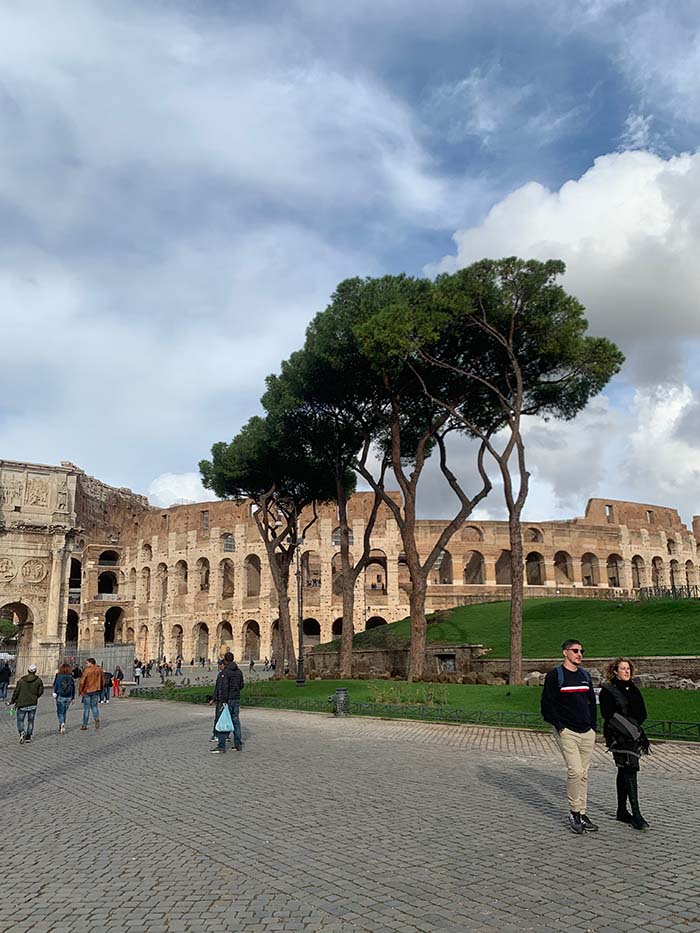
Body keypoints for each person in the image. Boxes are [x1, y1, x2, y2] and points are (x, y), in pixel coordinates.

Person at [541, 638, 598, 835]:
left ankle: (582, 812)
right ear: (565, 652)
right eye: (575, 650)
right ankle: (574, 812)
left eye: (582, 651)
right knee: (575, 771)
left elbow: (591, 702)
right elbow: (547, 704)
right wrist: (560, 727)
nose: (579, 654)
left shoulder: (585, 675)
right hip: (567, 731)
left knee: (584, 773)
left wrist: (593, 727)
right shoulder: (555, 676)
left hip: (587, 732)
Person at [599, 657, 650, 831]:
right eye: (623, 668)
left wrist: (633, 725)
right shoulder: (609, 690)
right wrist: (626, 725)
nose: (627, 671)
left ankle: (621, 811)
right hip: (618, 736)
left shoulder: (633, 688)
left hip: (633, 734)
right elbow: (607, 713)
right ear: (615, 671)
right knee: (630, 769)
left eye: (628, 668)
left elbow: (642, 712)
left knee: (624, 769)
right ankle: (636, 814)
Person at [211, 651, 244, 754]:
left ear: (225, 660)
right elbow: (241, 685)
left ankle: (221, 746)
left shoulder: (225, 672)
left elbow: (224, 687)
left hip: (227, 699)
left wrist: (223, 700)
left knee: (223, 721)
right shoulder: (239, 671)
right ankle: (237, 744)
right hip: (236, 698)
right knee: (236, 721)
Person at [11, 663, 44, 744]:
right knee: (31, 721)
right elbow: (41, 691)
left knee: (20, 720)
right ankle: (28, 736)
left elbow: (16, 692)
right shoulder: (38, 680)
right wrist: (35, 697)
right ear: (35, 671)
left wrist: (13, 700)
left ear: (28, 671)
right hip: (32, 703)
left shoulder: (21, 681)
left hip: (22, 704)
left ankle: (21, 731)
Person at [78, 658, 104, 731]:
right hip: (96, 690)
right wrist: (100, 689)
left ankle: (84, 724)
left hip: (87, 690)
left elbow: (82, 681)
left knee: (86, 709)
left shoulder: (87, 670)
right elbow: (103, 680)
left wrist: (80, 690)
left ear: (90, 663)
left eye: (87, 663)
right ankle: (96, 719)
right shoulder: (99, 670)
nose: (86, 664)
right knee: (94, 707)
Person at [53, 662, 75, 734]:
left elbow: (55, 685)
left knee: (60, 711)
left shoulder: (59, 676)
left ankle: (62, 723)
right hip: (68, 696)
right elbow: (73, 688)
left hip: (60, 695)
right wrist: (73, 697)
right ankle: (62, 724)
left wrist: (55, 693)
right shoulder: (71, 677)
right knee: (64, 711)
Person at [208, 659, 226, 742]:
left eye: (220, 665)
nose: (219, 666)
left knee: (218, 718)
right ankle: (226, 735)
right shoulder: (233, 672)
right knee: (226, 718)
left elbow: (218, 688)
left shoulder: (222, 674)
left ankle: (216, 735)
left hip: (222, 699)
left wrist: (214, 698)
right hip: (228, 699)